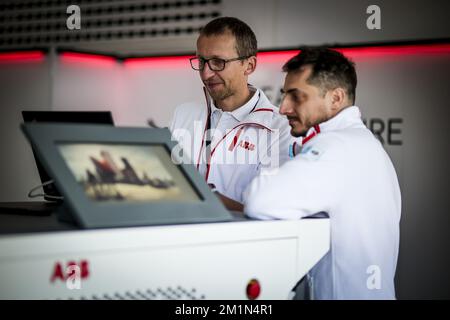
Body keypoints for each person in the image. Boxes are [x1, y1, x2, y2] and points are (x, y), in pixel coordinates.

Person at [243, 47, 401, 299]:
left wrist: (273, 166)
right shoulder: (367, 145)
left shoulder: (335, 147)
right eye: (284, 96)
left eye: (296, 96)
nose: (283, 108)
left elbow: (258, 201)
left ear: (336, 98)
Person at [170, 17, 292, 211]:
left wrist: (202, 198)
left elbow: (272, 209)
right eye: (201, 61)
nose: (206, 74)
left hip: (242, 240)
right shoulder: (183, 113)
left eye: (218, 62)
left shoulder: (281, 128)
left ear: (249, 65)